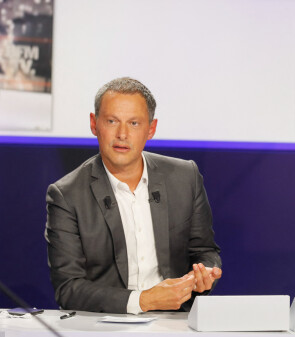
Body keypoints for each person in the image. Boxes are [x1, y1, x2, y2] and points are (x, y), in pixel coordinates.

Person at [45, 77, 222, 314]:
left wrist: (203, 275)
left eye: (134, 123)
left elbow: (204, 251)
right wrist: (144, 300)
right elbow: (69, 288)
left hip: (176, 323)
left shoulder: (185, 177)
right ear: (94, 124)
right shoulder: (66, 195)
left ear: (151, 129)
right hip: (104, 326)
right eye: (111, 121)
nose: (122, 134)